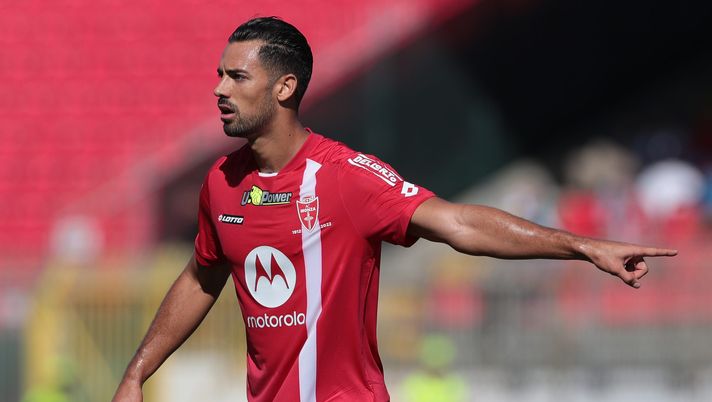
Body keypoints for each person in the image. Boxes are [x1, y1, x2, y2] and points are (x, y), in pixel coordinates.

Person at [111, 16, 677, 402]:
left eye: (237, 76)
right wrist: (138, 371)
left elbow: (455, 222)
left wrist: (581, 245)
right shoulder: (221, 182)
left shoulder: (345, 177)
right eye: (219, 75)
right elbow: (202, 275)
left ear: (284, 88)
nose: (219, 89)